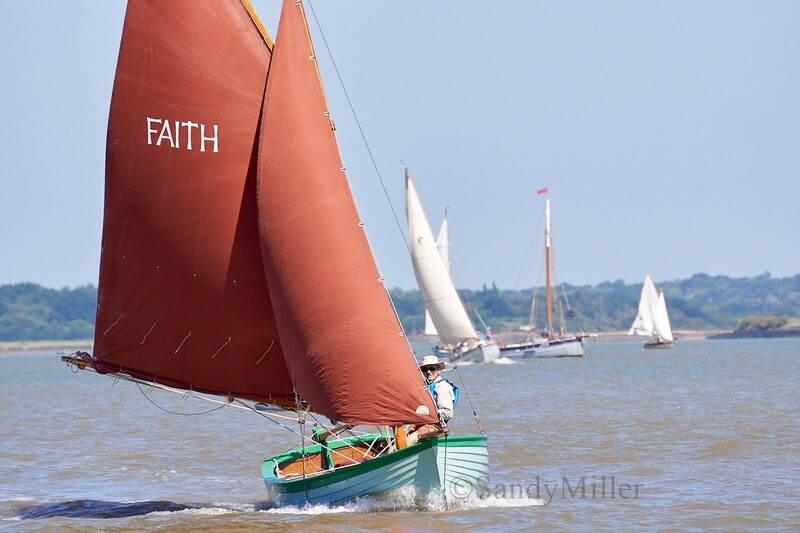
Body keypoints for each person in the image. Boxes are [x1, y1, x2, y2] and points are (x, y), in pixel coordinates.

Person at [406, 355, 457, 445]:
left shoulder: (442, 387)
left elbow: (448, 414)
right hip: (422, 423)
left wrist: (429, 413)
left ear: (438, 370)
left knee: (408, 441)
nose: (428, 372)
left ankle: (389, 456)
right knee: (402, 438)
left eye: (432, 368)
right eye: (425, 369)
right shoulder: (426, 385)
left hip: (435, 425)